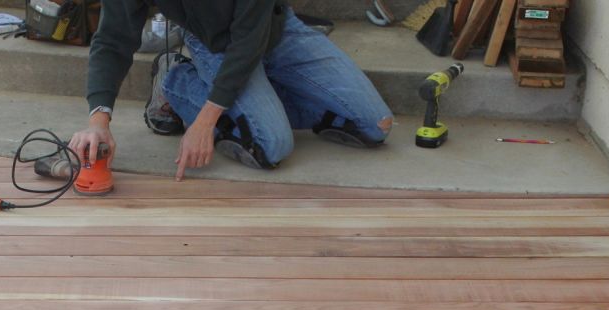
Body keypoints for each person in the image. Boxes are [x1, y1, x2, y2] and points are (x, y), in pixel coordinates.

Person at [70, 1, 394, 181]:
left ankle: (232, 96)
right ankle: (175, 80)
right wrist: (99, 121)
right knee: (272, 146)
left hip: (275, 29)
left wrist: (205, 122)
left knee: (375, 125)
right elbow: (113, 39)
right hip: (214, 43)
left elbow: (249, 40)